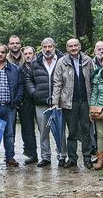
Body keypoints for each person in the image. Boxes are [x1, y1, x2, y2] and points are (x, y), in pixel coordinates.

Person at [53, 38, 94, 169]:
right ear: (67, 48)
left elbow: (93, 81)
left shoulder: (88, 61)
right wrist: (55, 102)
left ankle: (87, 158)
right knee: (72, 131)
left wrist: (94, 101)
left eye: (76, 45)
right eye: (70, 46)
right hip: (68, 102)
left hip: (85, 101)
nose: (73, 48)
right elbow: (57, 83)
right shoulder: (62, 62)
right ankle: (72, 158)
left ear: (80, 46)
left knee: (86, 130)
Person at [26, 37, 66, 167]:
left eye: (50, 47)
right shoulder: (35, 62)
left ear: (54, 47)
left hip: (58, 102)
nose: (47, 50)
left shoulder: (63, 60)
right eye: (45, 47)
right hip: (41, 101)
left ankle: (62, 155)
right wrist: (34, 93)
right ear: (41, 48)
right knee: (43, 131)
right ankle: (45, 157)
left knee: (60, 130)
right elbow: (28, 80)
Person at [0, 43, 24, 168]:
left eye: (3, 52)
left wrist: (16, 101)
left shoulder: (14, 68)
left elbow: (20, 86)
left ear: (6, 53)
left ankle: (10, 157)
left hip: (10, 107)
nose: (0, 54)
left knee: (9, 133)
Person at [17, 46, 38, 165]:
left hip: (38, 100)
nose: (28, 55)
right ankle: (32, 154)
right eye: (26, 53)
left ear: (34, 54)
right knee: (28, 130)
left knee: (43, 129)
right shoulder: (20, 69)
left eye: (30, 53)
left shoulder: (39, 66)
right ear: (23, 55)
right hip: (25, 102)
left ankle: (47, 155)